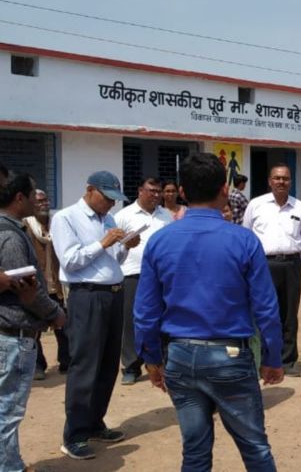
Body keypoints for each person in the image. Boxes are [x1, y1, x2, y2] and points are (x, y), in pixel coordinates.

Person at [135, 152, 284, 471]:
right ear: (224, 190)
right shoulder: (244, 241)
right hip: (230, 357)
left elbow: (146, 310)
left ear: (182, 192)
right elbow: (266, 308)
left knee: (195, 452)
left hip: (180, 356)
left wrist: (151, 359)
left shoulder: (160, 241)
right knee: (255, 449)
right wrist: (272, 357)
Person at [52, 170, 139, 461]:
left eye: (115, 200)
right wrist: (102, 243)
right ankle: (74, 435)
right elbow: (70, 261)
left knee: (107, 364)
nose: (111, 204)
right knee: (85, 365)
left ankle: (94, 422)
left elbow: (113, 261)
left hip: (114, 293)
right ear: (90, 190)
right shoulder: (66, 218)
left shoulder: (109, 220)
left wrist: (124, 247)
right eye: (107, 198)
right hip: (87, 295)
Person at [1, 171, 66, 472]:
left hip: (11, 333)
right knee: (8, 410)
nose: (37, 202)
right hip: (13, 335)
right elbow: (29, 289)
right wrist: (55, 313)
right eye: (32, 196)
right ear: (20, 198)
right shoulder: (11, 237)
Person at [243, 164, 301, 376]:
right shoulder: (256, 205)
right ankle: (262, 358)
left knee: (289, 313)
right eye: (277, 178)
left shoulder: (300, 208)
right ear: (270, 181)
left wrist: (298, 261)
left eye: (285, 178)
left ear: (291, 181)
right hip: (262, 265)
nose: (281, 182)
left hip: (291, 265)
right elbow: (247, 235)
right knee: (263, 311)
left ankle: (287, 361)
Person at [113, 177, 173, 385]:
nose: (156, 195)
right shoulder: (123, 215)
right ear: (140, 191)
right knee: (132, 322)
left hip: (161, 276)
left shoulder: (166, 216)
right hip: (133, 274)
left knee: (162, 319)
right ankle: (131, 366)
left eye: (158, 191)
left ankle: (162, 361)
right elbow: (114, 247)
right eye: (151, 190)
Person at [23, 189, 70, 378]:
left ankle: (66, 362)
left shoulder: (58, 224)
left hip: (58, 285)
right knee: (34, 328)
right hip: (36, 285)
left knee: (64, 326)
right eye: (39, 201)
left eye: (46, 200)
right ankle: (38, 366)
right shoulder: (25, 226)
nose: (44, 204)